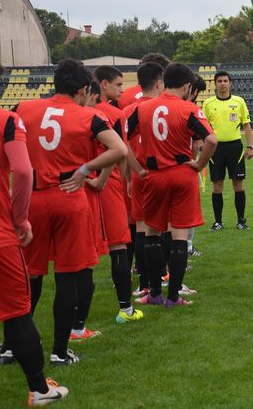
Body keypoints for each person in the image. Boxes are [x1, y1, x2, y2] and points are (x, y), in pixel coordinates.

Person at [16, 59, 126, 365]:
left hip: (35, 199)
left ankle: (12, 344)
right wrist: (86, 169)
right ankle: (60, 351)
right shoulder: (88, 115)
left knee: (32, 276)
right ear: (83, 89)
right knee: (67, 278)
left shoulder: (24, 109)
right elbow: (120, 150)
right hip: (70, 197)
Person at [0, 64, 69, 405]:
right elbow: (24, 172)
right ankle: (39, 389)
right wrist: (21, 219)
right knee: (16, 310)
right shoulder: (6, 120)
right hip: (1, 234)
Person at [127, 63, 216, 307]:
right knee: (179, 234)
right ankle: (174, 296)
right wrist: (198, 165)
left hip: (153, 175)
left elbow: (122, 138)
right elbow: (212, 139)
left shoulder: (143, 108)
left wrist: (136, 168)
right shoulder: (189, 108)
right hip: (181, 174)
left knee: (152, 233)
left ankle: (154, 292)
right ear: (187, 86)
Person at [92, 65, 144, 324]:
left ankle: (76, 324)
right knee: (118, 245)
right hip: (107, 182)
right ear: (103, 85)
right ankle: (125, 307)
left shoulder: (74, 112)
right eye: (118, 85)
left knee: (78, 255)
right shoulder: (113, 113)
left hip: (75, 184)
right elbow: (121, 151)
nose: (121, 90)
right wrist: (127, 179)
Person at [123, 62, 165, 298]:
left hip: (140, 173)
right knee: (164, 228)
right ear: (159, 83)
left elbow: (122, 145)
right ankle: (162, 279)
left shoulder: (128, 110)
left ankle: (145, 283)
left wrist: (133, 172)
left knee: (140, 227)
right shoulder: (166, 106)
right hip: (161, 173)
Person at [203, 70, 253, 231]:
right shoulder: (208, 103)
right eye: (220, 81)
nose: (223, 83)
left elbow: (246, 125)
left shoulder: (239, 101)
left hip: (235, 147)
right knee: (217, 186)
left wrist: (250, 146)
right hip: (215, 149)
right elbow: (203, 127)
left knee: (238, 185)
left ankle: (241, 221)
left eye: (225, 81)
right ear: (215, 84)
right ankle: (218, 222)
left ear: (230, 83)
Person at [186, 75, 207, 258]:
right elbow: (202, 142)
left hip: (152, 170)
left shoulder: (147, 106)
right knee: (186, 212)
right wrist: (197, 163)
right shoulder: (191, 110)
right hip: (184, 169)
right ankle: (187, 247)